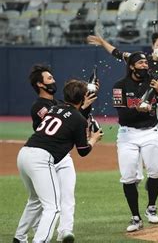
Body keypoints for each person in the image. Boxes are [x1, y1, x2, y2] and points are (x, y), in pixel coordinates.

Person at [13, 80, 103, 243]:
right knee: (53, 207)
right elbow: (83, 151)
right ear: (83, 98)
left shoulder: (55, 107)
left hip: (25, 153)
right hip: (42, 159)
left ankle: (19, 238)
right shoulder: (78, 119)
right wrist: (94, 139)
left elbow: (69, 117)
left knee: (34, 201)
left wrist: (83, 105)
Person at [87, 33, 158, 184]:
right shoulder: (140, 59)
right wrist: (103, 42)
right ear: (152, 46)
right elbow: (118, 53)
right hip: (149, 113)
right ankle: (138, 175)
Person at [112, 52, 158, 232]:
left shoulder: (154, 82)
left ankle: (151, 207)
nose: (145, 65)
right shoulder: (119, 86)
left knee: (155, 171)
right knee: (128, 176)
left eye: (146, 62)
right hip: (127, 135)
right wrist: (138, 109)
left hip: (150, 132)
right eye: (141, 62)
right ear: (131, 66)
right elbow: (122, 115)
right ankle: (135, 217)